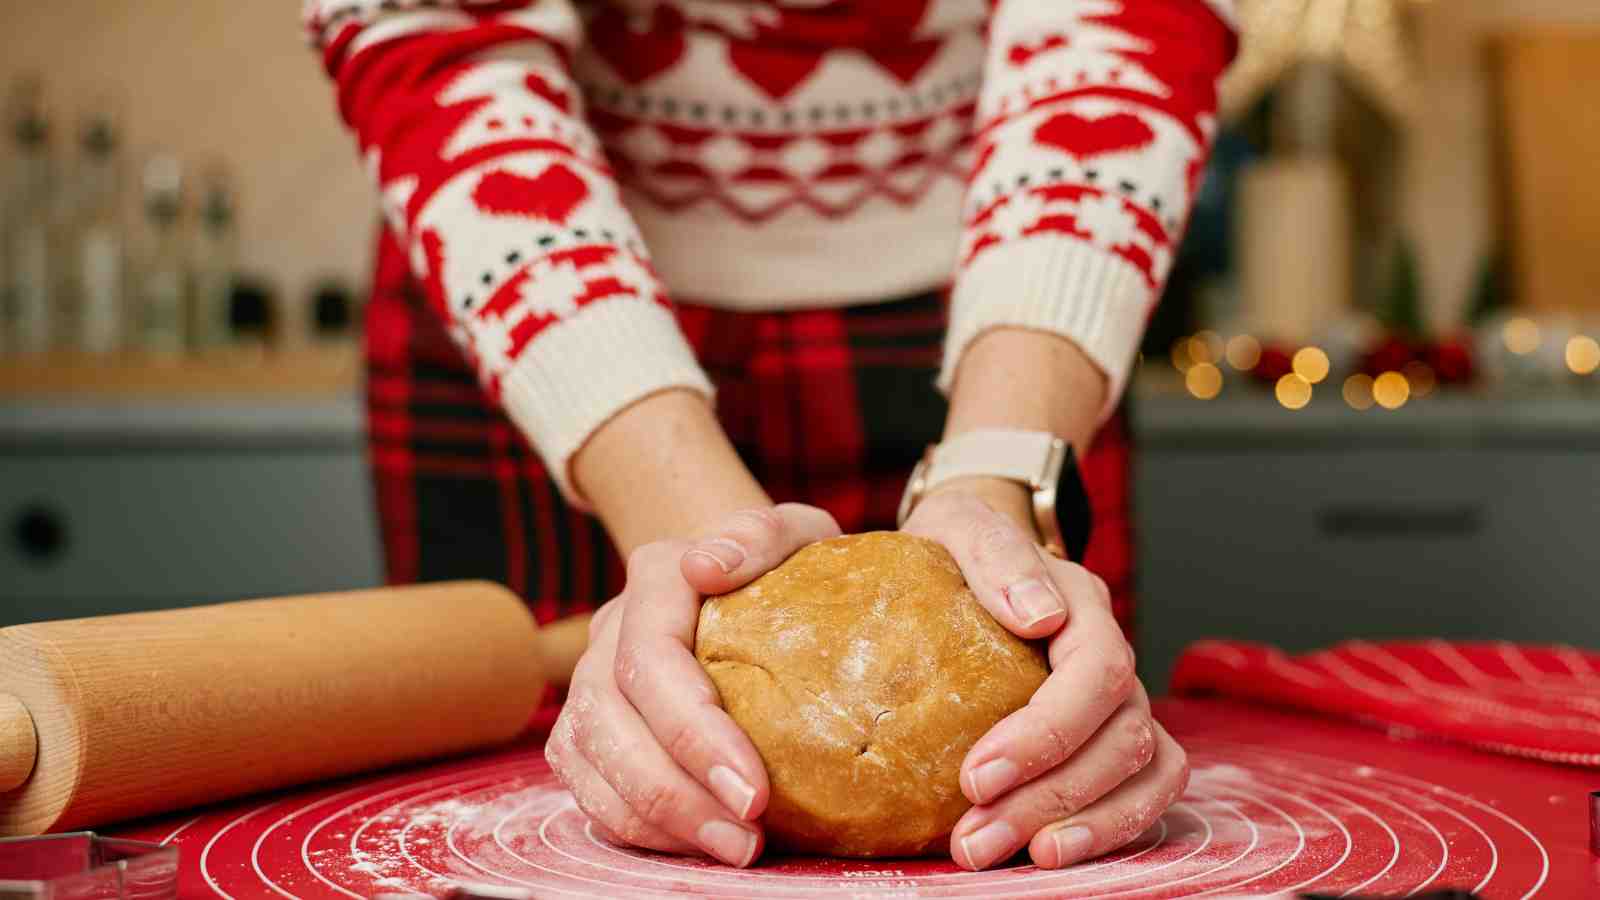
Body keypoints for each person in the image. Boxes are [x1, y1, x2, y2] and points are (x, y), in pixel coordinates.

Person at [304, 0, 1236, 872]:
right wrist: (706, 547)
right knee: (545, 823)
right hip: (537, 284)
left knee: (1030, 780)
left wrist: (996, 475)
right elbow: (438, 32)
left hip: (1007, 299)